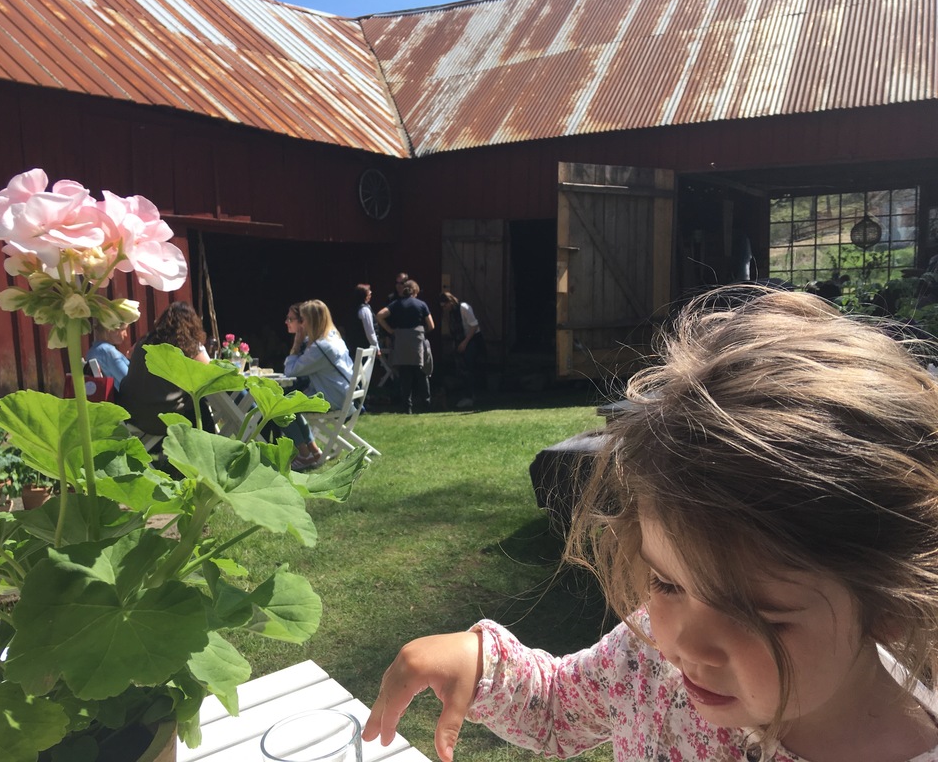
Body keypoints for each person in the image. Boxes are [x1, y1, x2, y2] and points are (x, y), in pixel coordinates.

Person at [363, 286, 938, 762]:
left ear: (888, 604)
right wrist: (478, 663)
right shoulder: (651, 657)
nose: (685, 643)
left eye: (753, 614)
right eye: (666, 583)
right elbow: (562, 705)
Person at [118, 300, 211, 437]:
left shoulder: (143, 342)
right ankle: (205, 452)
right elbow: (209, 371)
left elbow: (129, 356)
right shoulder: (185, 347)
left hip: (134, 416)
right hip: (164, 419)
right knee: (201, 405)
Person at [283, 299, 353, 470]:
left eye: (304, 319)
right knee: (290, 402)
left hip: (333, 399)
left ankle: (303, 454)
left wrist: (297, 344)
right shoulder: (332, 338)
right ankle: (313, 451)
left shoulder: (320, 348)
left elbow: (290, 371)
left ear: (312, 321)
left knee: (282, 408)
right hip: (343, 395)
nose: (302, 324)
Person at [377, 279, 434, 414]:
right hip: (417, 341)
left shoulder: (395, 304)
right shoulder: (421, 304)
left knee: (405, 375)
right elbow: (431, 325)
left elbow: (379, 315)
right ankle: (426, 404)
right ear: (415, 291)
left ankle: (406, 407)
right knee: (421, 373)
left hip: (401, 341)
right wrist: (421, 332)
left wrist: (390, 330)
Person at [438, 291, 485, 410]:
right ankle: (467, 395)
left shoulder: (464, 308)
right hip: (461, 339)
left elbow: (474, 326)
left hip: (472, 337)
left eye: (445, 305)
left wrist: (465, 342)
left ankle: (470, 396)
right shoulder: (451, 313)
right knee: (461, 367)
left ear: (450, 302)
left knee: (468, 366)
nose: (444, 308)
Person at [86, 321, 130, 392]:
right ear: (111, 329)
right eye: (123, 329)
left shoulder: (92, 351)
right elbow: (130, 382)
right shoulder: (109, 352)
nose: (126, 334)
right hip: (121, 400)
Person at [349, 283, 380, 358]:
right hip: (365, 347)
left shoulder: (354, 308)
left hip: (355, 345)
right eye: (369, 292)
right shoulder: (364, 310)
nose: (370, 293)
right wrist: (376, 347)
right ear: (364, 295)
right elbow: (370, 331)